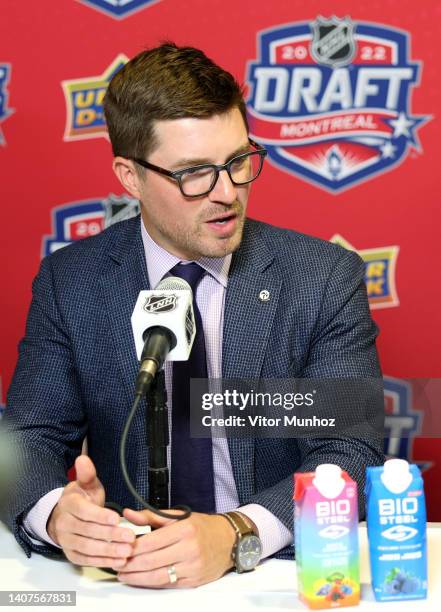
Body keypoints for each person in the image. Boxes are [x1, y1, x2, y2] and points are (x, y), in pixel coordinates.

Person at [1, 43, 383, 589]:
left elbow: (348, 448)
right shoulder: (73, 282)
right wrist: (57, 515)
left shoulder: (321, 278)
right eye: (194, 174)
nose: (226, 193)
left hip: (274, 574)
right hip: (127, 578)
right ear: (130, 177)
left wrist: (236, 534)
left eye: (236, 162)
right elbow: (29, 439)